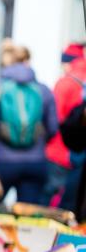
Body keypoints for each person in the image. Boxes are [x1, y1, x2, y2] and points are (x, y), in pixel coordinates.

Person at [0, 45, 58, 204]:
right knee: (29, 216)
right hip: (35, 162)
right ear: (27, 61)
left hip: (3, 162)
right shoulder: (43, 90)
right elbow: (53, 128)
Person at [45, 43, 86, 211]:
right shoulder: (82, 81)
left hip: (60, 151)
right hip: (78, 155)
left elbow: (55, 119)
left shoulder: (65, 83)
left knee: (52, 204)